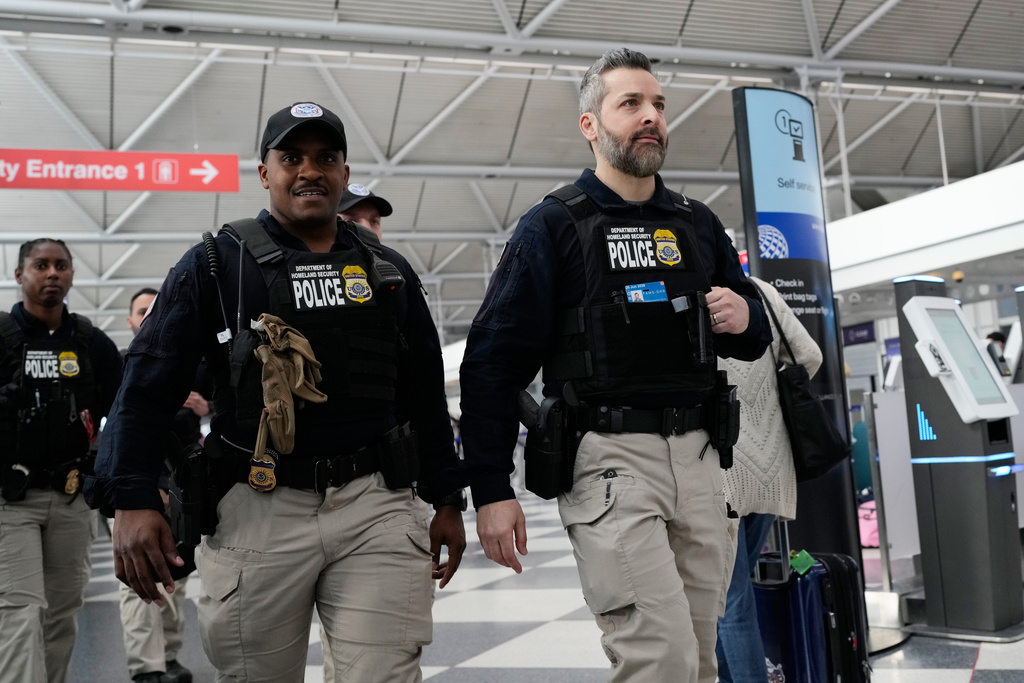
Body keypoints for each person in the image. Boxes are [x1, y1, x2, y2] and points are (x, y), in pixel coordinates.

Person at [85, 101, 467, 683]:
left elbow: (423, 397)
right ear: (265, 173)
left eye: (326, 158)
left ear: (343, 173)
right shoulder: (215, 265)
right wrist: (131, 496)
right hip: (257, 509)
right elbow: (145, 386)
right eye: (292, 158)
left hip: (377, 507)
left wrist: (446, 497)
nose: (310, 170)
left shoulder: (388, 272)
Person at [459, 48, 771, 683]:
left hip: (703, 461)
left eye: (658, 104)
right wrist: (490, 488)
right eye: (630, 103)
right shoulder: (553, 226)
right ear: (590, 124)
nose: (650, 116)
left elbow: (751, 336)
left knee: (702, 659)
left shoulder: (696, 224)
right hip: (610, 463)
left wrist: (746, 316)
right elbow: (491, 363)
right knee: (660, 659)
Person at [0, 238, 122, 683]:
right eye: (41, 265)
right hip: (11, 500)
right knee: (18, 608)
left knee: (63, 610)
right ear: (19, 275)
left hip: (71, 499)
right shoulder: (2, 337)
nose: (52, 273)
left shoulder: (91, 342)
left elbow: (125, 410)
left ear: (71, 274)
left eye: (62, 265)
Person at [715, 276, 822, 683]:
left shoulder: (685, 290)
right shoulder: (758, 290)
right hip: (772, 465)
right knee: (730, 597)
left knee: (730, 603)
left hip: (721, 467)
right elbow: (808, 356)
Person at [115, 287, 211, 683]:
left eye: (156, 308)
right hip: (135, 491)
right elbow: (118, 433)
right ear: (131, 321)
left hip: (184, 489)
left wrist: (208, 409)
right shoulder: (122, 366)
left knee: (176, 573)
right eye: (142, 310)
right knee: (137, 576)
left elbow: (218, 431)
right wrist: (141, 490)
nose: (149, 315)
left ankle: (168, 657)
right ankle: (147, 667)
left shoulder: (193, 366)